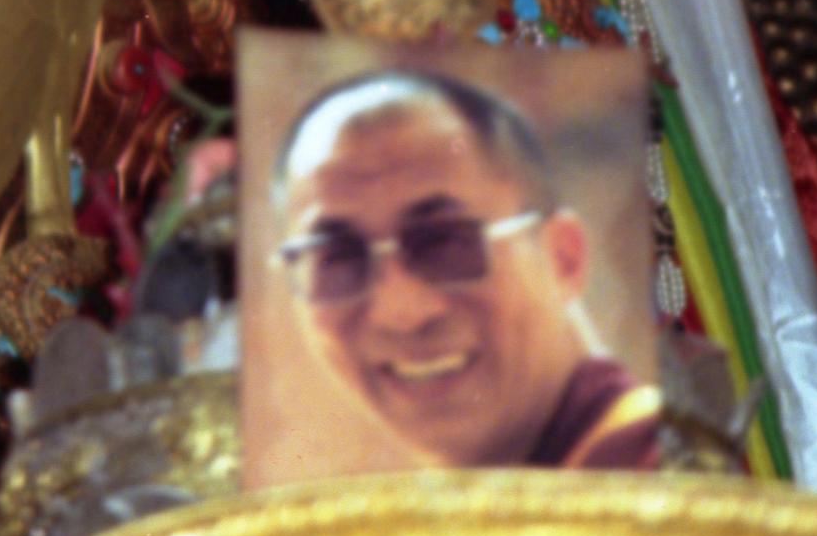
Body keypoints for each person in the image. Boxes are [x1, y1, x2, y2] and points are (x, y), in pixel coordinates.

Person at [272, 70, 660, 470]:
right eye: (338, 259)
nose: (402, 312)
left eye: (445, 243)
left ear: (563, 259)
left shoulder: (658, 477)